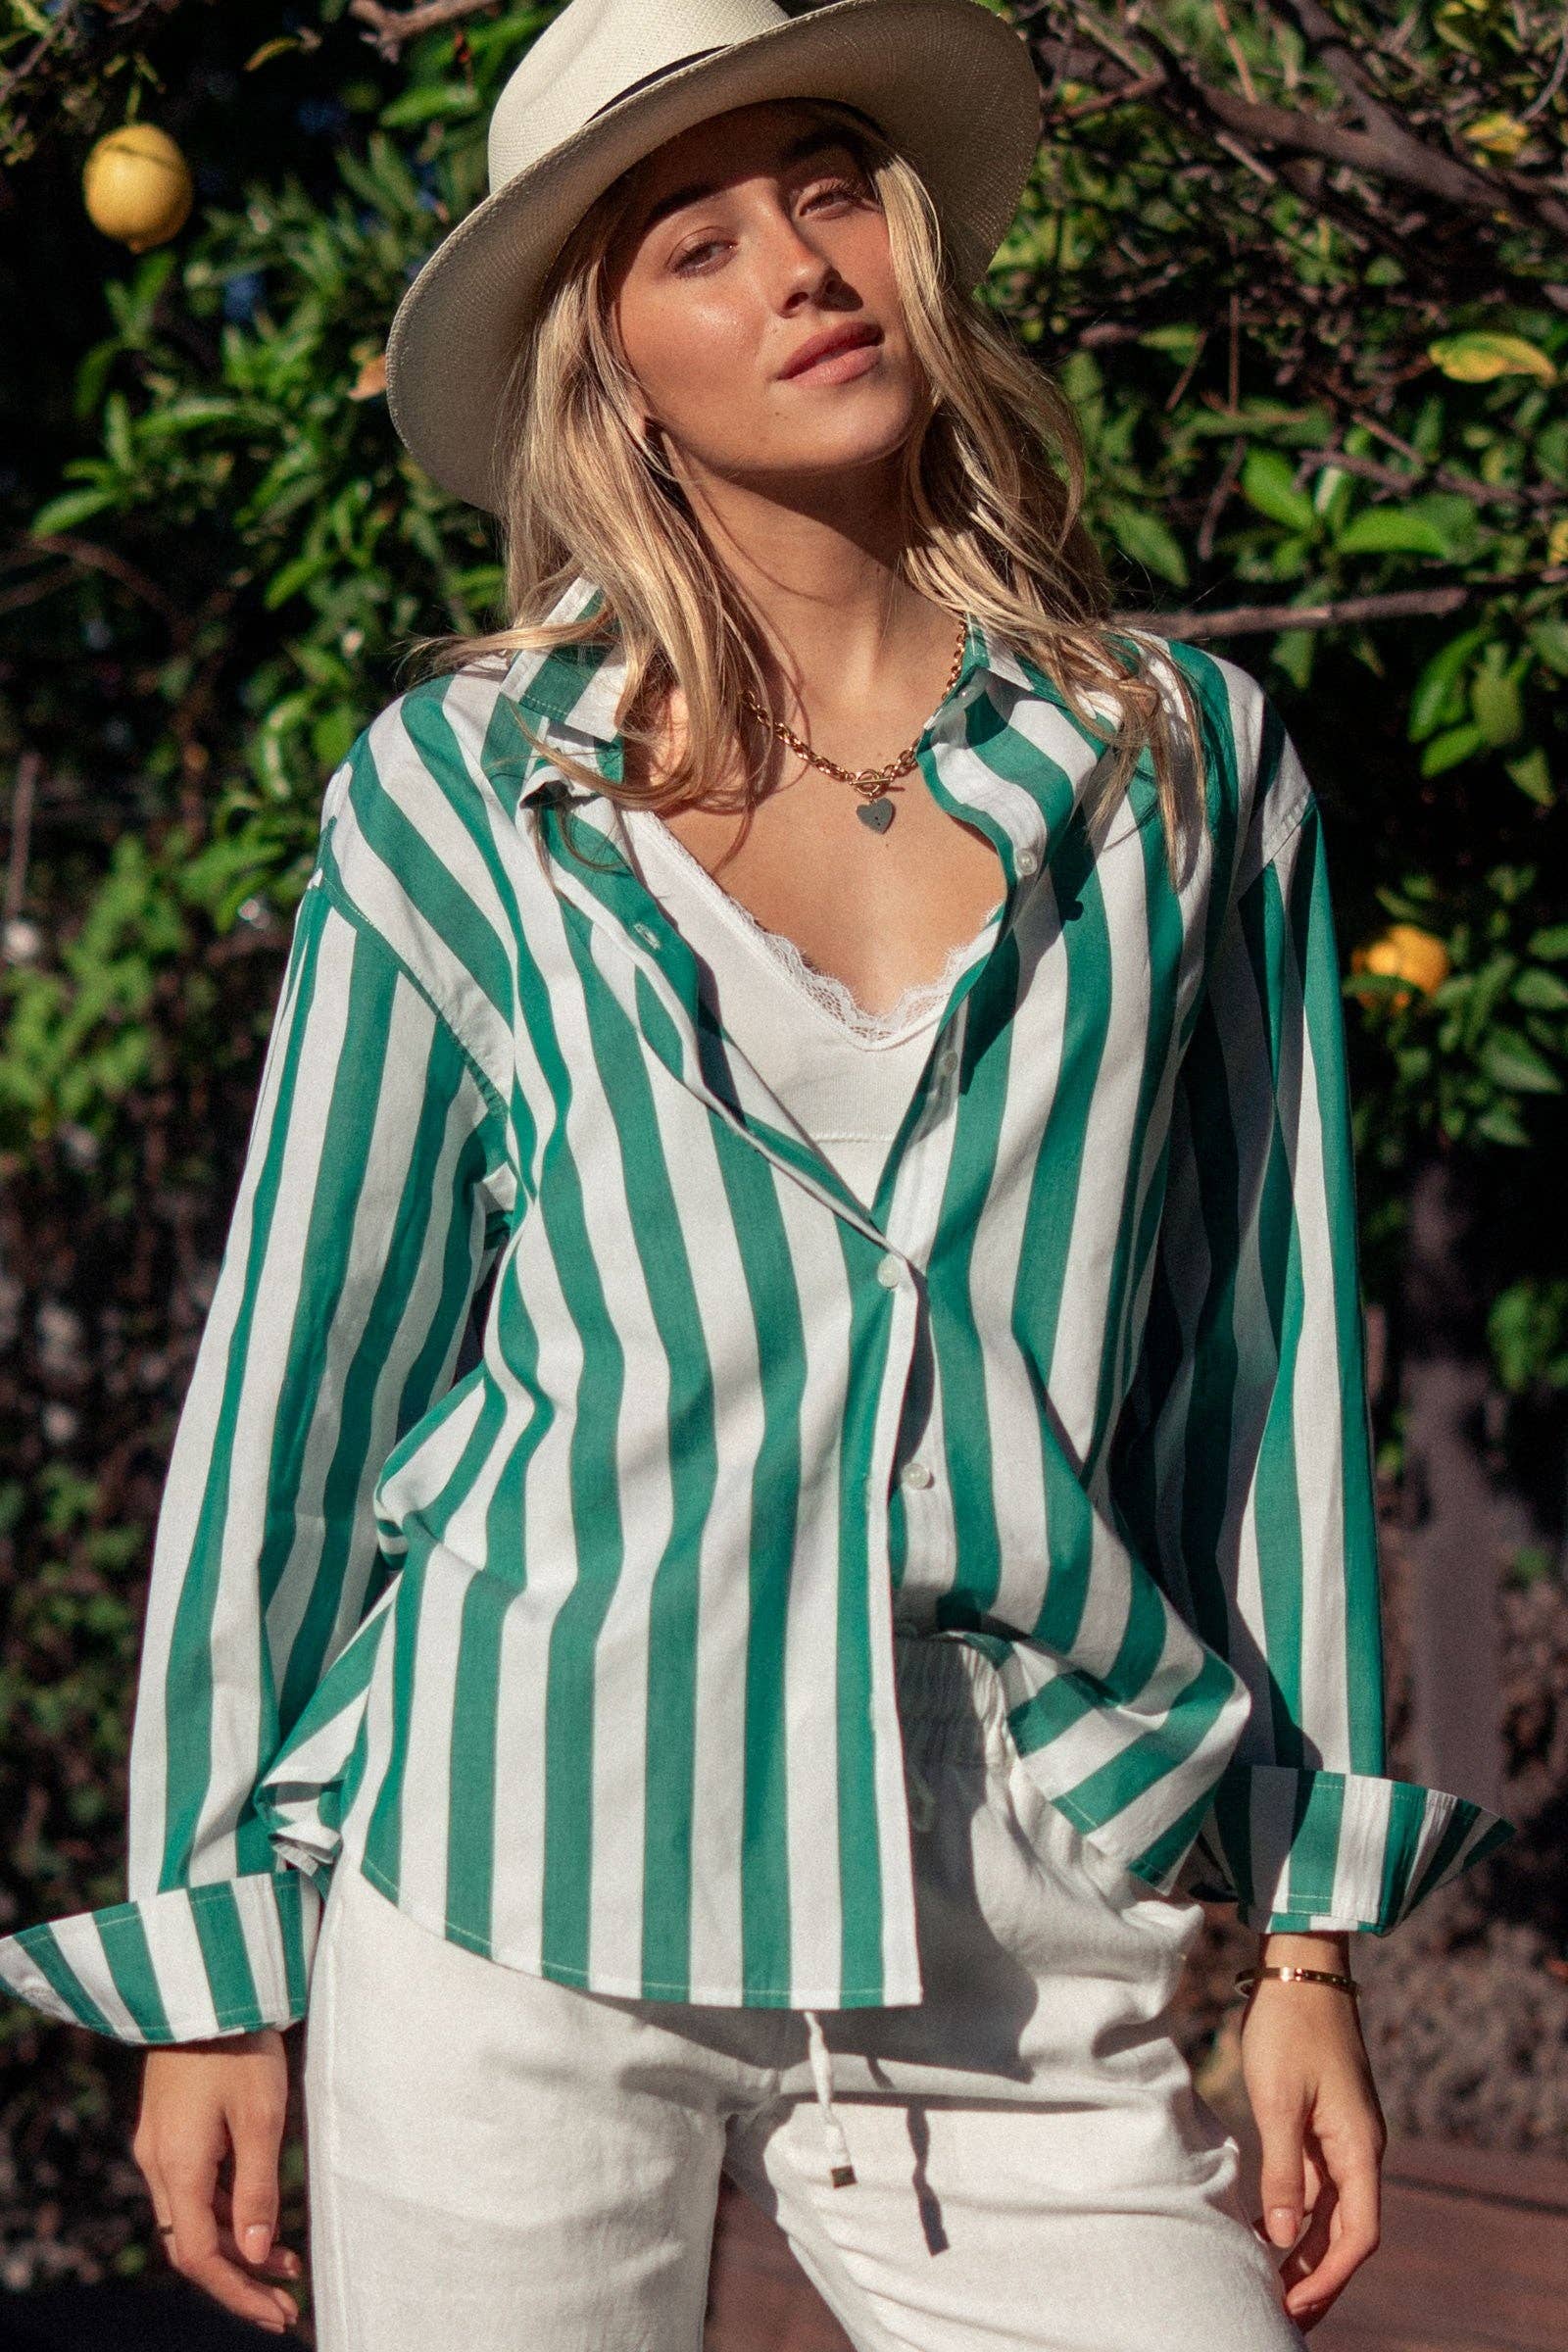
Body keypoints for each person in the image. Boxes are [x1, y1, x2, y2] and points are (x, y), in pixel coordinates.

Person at [0, 2, 1515, 2347]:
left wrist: (1304, 1942)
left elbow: (1266, 1364)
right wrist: (210, 1963)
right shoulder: (465, 792)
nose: (799, 266)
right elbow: (302, 1381)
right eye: (694, 244)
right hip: (513, 1873)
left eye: (827, 195)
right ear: (611, 373)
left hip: (1019, 1909)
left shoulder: (1177, 767)